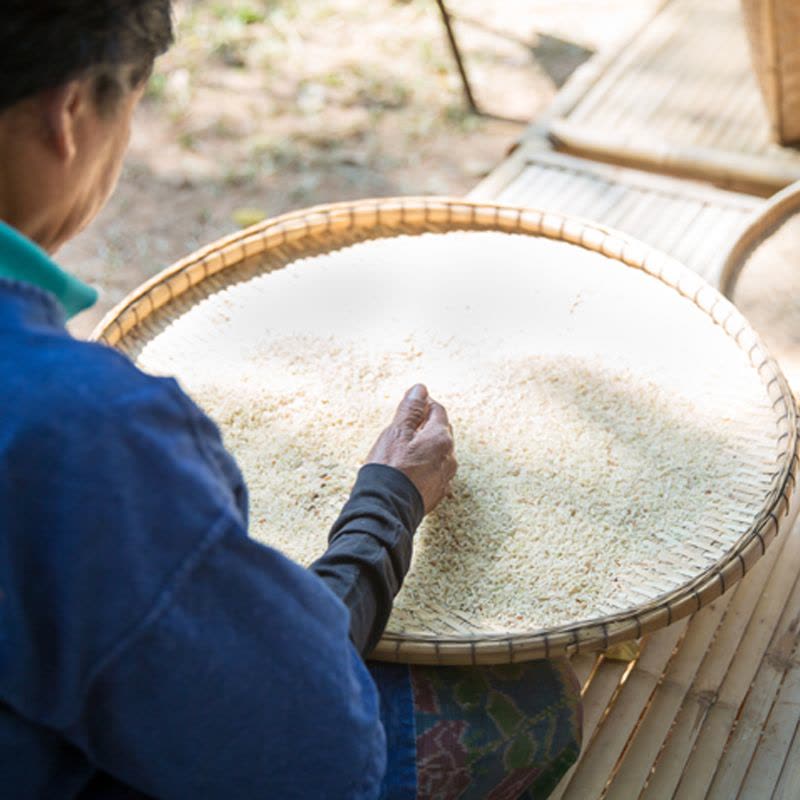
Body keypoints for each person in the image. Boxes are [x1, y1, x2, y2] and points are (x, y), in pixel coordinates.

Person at [0, 2, 582, 798]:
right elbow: (308, 744)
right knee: (533, 705)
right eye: (131, 107)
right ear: (70, 114)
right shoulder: (83, 428)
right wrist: (386, 505)